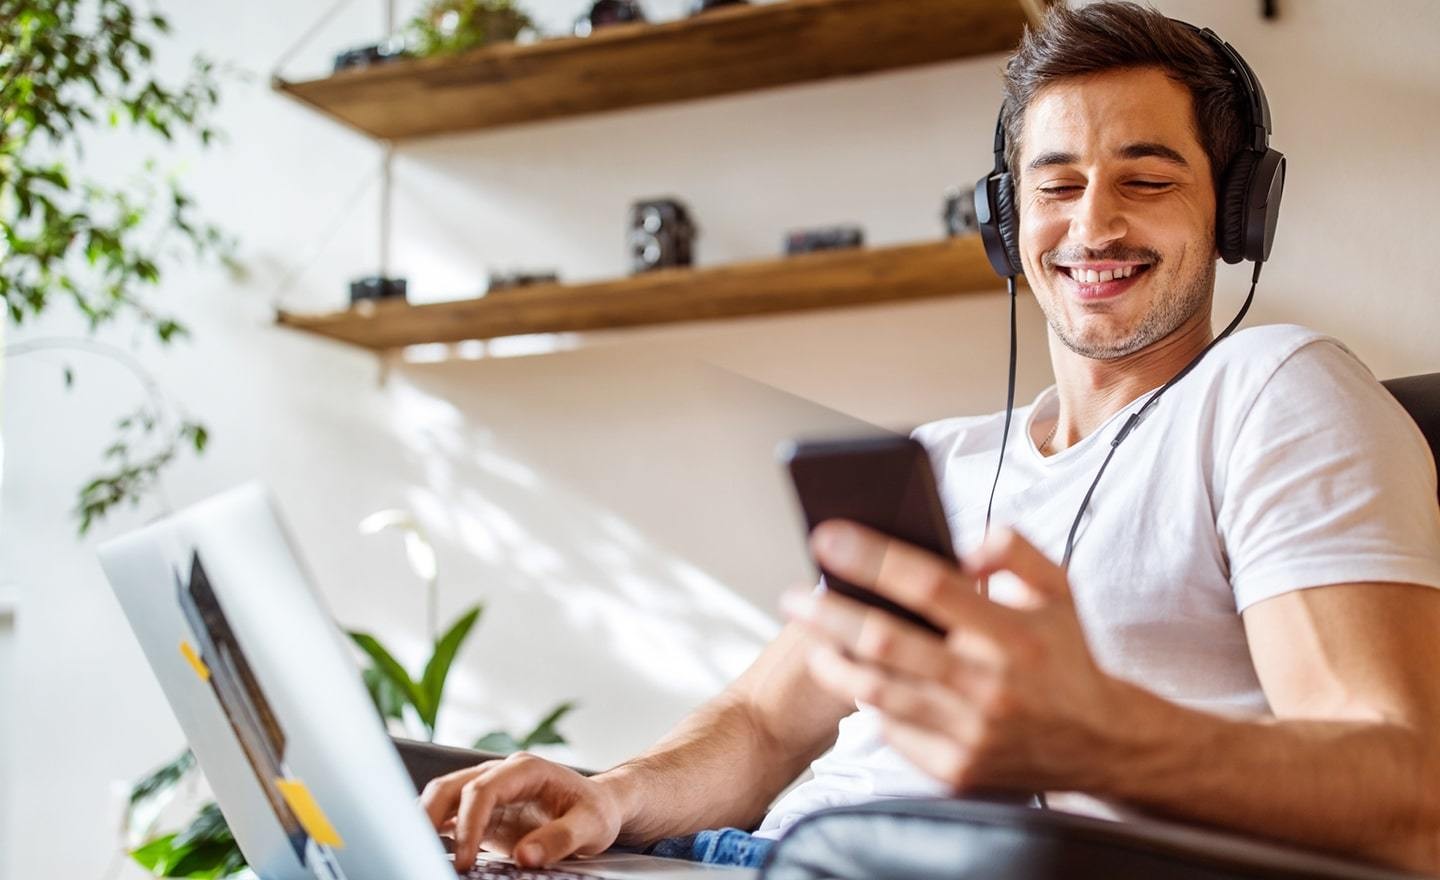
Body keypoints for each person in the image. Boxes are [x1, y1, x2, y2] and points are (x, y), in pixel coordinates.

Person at [421, 3, 1440, 875]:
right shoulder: (944, 458)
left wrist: (1106, 739)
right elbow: (769, 725)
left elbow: (1409, 797)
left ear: (1236, 210)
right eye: (1055, 184)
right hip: (763, 854)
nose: (1092, 225)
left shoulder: (1273, 392)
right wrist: (611, 795)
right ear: (1008, 222)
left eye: (1148, 177)